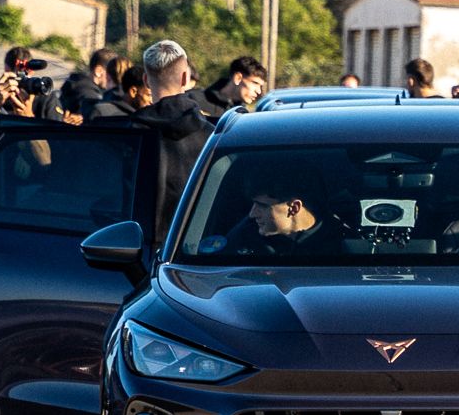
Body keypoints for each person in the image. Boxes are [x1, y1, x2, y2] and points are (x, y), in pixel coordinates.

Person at [131, 39, 224, 239]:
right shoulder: (214, 137)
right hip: (193, 246)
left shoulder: (129, 135)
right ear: (185, 78)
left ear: (146, 81)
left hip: (135, 245)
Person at [221, 184, 325, 259]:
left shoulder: (338, 244)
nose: (252, 214)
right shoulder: (245, 236)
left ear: (294, 208)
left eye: (262, 206)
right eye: (253, 204)